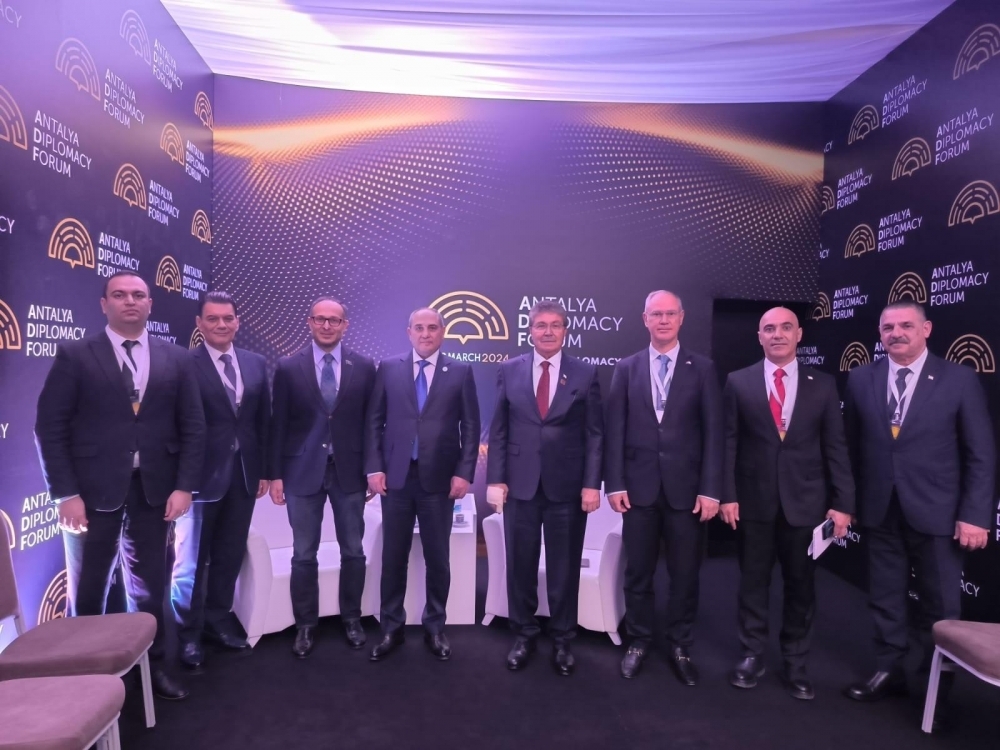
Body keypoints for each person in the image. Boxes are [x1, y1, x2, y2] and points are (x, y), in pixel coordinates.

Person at [34, 270, 205, 700]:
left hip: (154, 492)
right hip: (90, 495)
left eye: (138, 295)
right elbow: (49, 428)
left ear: (150, 304)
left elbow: (193, 426)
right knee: (89, 590)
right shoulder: (76, 355)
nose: (130, 301)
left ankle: (152, 669)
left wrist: (184, 486)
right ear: (104, 303)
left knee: (150, 591)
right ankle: (85, 680)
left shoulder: (177, 358)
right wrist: (66, 494)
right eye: (120, 294)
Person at [843, 301, 994, 712]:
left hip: (939, 513)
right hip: (880, 509)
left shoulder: (959, 379)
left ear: (926, 329)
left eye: (906, 325)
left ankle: (936, 688)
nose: (896, 333)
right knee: (885, 596)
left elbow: (980, 454)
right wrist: (846, 502)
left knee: (940, 606)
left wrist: (975, 514)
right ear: (880, 333)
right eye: (888, 327)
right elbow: (850, 448)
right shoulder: (861, 378)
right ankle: (888, 669)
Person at [720, 307, 854, 700]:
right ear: (759, 337)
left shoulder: (823, 384)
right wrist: (727, 494)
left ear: (799, 335)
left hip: (806, 504)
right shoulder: (738, 381)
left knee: (801, 586)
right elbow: (728, 442)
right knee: (752, 582)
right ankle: (751, 654)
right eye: (769, 329)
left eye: (785, 328)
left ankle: (795, 662)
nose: (777, 334)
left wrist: (843, 503)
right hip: (753, 502)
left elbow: (835, 447)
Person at [604, 290, 723, 683]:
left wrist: (711, 489)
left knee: (684, 575)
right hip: (638, 490)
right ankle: (638, 640)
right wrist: (614, 483)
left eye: (670, 314)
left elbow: (714, 433)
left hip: (687, 493)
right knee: (637, 572)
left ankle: (680, 644)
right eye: (656, 314)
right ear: (645, 319)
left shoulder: (702, 368)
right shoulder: (627, 368)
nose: (664, 320)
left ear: (682, 318)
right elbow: (615, 429)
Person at [486, 300, 603, 676]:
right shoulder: (509, 370)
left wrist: (591, 484)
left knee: (563, 567)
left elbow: (595, 434)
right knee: (520, 565)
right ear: (530, 331)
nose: (548, 331)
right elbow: (499, 429)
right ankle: (523, 634)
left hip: (567, 487)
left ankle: (563, 639)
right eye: (541, 325)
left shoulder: (585, 372)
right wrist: (495, 479)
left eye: (555, 325)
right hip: (519, 486)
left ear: (565, 331)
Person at [365, 308, 480, 662]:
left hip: (440, 480)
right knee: (393, 557)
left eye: (432, 328)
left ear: (443, 332)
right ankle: (391, 628)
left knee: (437, 558)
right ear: (409, 332)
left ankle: (435, 627)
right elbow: (374, 421)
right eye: (419, 328)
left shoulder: (460, 371)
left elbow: (471, 428)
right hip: (396, 478)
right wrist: (374, 468)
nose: (426, 334)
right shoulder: (389, 368)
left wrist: (464, 472)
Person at [269, 297, 376, 658]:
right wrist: (275, 474)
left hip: (350, 471)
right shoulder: (288, 367)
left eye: (334, 320)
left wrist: (372, 468)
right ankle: (305, 624)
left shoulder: (364, 366)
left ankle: (352, 619)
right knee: (303, 553)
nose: (327, 326)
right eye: (320, 319)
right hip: (301, 471)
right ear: (309, 322)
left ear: (345, 325)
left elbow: (372, 423)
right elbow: (278, 424)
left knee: (353, 551)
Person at [171, 291, 271, 670]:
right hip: (198, 480)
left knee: (229, 556)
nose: (221, 324)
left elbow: (262, 421)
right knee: (191, 563)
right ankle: (187, 634)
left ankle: (217, 621)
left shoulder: (255, 363)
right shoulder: (184, 363)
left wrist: (264, 469)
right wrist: (180, 480)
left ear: (237, 321)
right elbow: (175, 424)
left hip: (243, 477)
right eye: (212, 318)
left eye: (228, 318)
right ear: (199, 323)